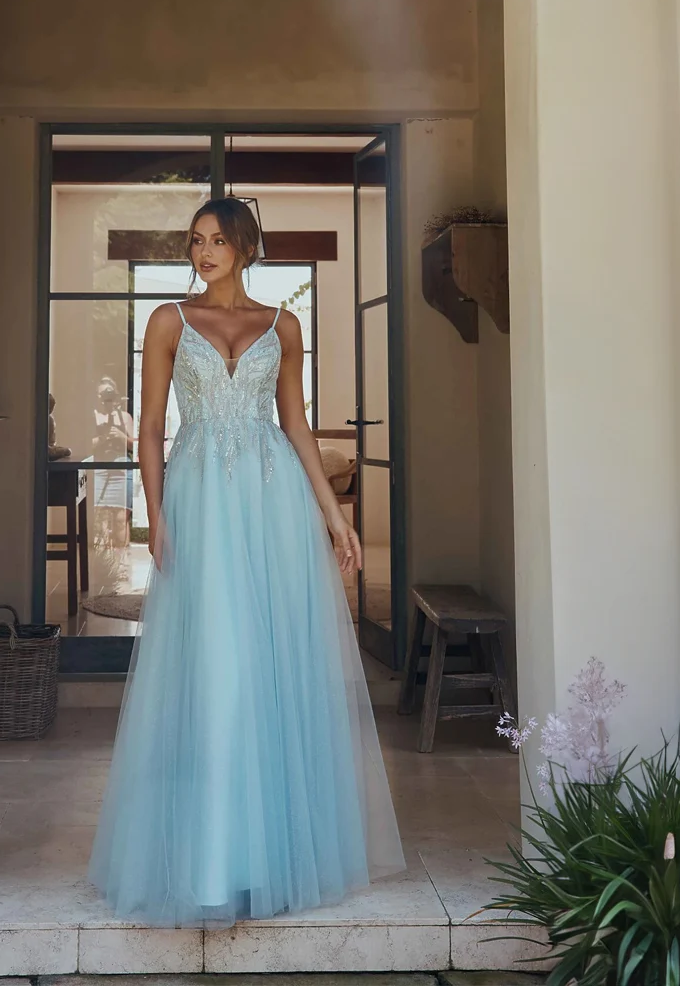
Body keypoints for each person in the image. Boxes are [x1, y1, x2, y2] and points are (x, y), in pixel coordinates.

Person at [87, 198, 405, 927]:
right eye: (196, 241)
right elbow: (151, 430)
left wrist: (334, 519)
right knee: (215, 670)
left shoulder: (282, 327)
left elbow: (294, 423)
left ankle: (263, 862)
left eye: (217, 240)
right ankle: (206, 863)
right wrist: (156, 518)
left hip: (272, 506)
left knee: (266, 671)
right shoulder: (168, 321)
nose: (203, 252)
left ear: (245, 246)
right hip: (199, 502)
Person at [89, 377, 134, 547]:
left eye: (110, 394)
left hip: (121, 467)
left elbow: (135, 444)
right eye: (103, 394)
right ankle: (101, 563)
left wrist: (122, 437)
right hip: (99, 466)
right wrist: (103, 438)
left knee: (121, 518)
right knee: (99, 516)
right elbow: (85, 443)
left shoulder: (124, 417)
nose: (106, 399)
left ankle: (123, 562)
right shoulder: (92, 415)